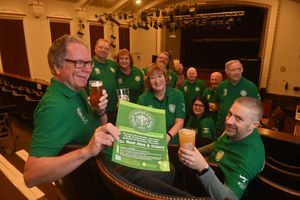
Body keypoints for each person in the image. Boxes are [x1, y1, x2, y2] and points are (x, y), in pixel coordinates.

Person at [23, 35, 120, 197]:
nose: (88, 69)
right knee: (165, 173)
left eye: (89, 63)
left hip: (109, 166)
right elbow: (31, 175)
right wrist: (87, 151)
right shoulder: (53, 108)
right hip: (100, 183)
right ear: (57, 67)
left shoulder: (77, 90)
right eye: (79, 63)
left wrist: (99, 112)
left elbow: (99, 124)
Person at [178, 97, 265, 200]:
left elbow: (230, 198)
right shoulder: (237, 131)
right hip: (201, 181)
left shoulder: (248, 158)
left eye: (238, 118)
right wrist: (195, 153)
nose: (229, 121)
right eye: (229, 114)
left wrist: (203, 167)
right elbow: (218, 144)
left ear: (254, 125)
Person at [137, 63, 185, 145]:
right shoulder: (142, 99)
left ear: (165, 78)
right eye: (152, 77)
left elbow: (179, 122)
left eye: (160, 76)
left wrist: (168, 137)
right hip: (151, 143)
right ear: (149, 81)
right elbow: (140, 126)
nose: (156, 81)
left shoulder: (177, 95)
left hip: (172, 143)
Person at [214, 60, 260, 135]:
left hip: (240, 131)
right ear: (227, 72)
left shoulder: (251, 87)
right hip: (221, 128)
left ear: (242, 70)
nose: (236, 72)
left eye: (239, 69)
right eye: (233, 70)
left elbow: (257, 110)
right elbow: (217, 105)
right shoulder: (221, 86)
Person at [88, 38, 118, 123]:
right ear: (95, 48)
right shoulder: (89, 64)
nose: (103, 50)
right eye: (100, 47)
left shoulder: (112, 64)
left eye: (106, 49)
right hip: (97, 110)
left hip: (113, 108)